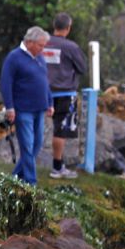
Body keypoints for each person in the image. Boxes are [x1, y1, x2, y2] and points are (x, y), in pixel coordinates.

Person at [1, 26, 55, 185]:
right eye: (40, 45)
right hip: (22, 109)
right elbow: (6, 83)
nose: (43, 49)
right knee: (27, 145)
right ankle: (31, 182)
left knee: (37, 144)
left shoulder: (39, 58)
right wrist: (9, 107)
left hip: (40, 108)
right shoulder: (14, 57)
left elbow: (45, 81)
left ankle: (16, 176)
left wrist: (50, 101)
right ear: (30, 42)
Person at [44, 12, 88, 179]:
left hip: (44, 92)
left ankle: (31, 164)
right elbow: (82, 68)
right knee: (60, 130)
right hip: (65, 93)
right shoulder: (71, 47)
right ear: (68, 28)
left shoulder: (43, 43)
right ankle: (57, 167)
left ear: (54, 25)